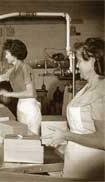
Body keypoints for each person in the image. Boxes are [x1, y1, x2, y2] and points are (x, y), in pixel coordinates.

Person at [43, 38, 105, 180]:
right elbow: (84, 128)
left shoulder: (101, 90)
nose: (76, 66)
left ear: (93, 61)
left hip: (91, 162)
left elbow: (103, 140)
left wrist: (66, 136)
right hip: (77, 157)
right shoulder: (88, 87)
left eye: (79, 61)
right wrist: (65, 143)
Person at [0, 39, 42, 135]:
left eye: (7, 54)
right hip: (21, 105)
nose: (5, 57)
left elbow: (31, 93)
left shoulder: (25, 68)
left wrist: (8, 93)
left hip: (30, 107)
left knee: (32, 139)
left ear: (14, 54)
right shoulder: (13, 70)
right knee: (22, 136)